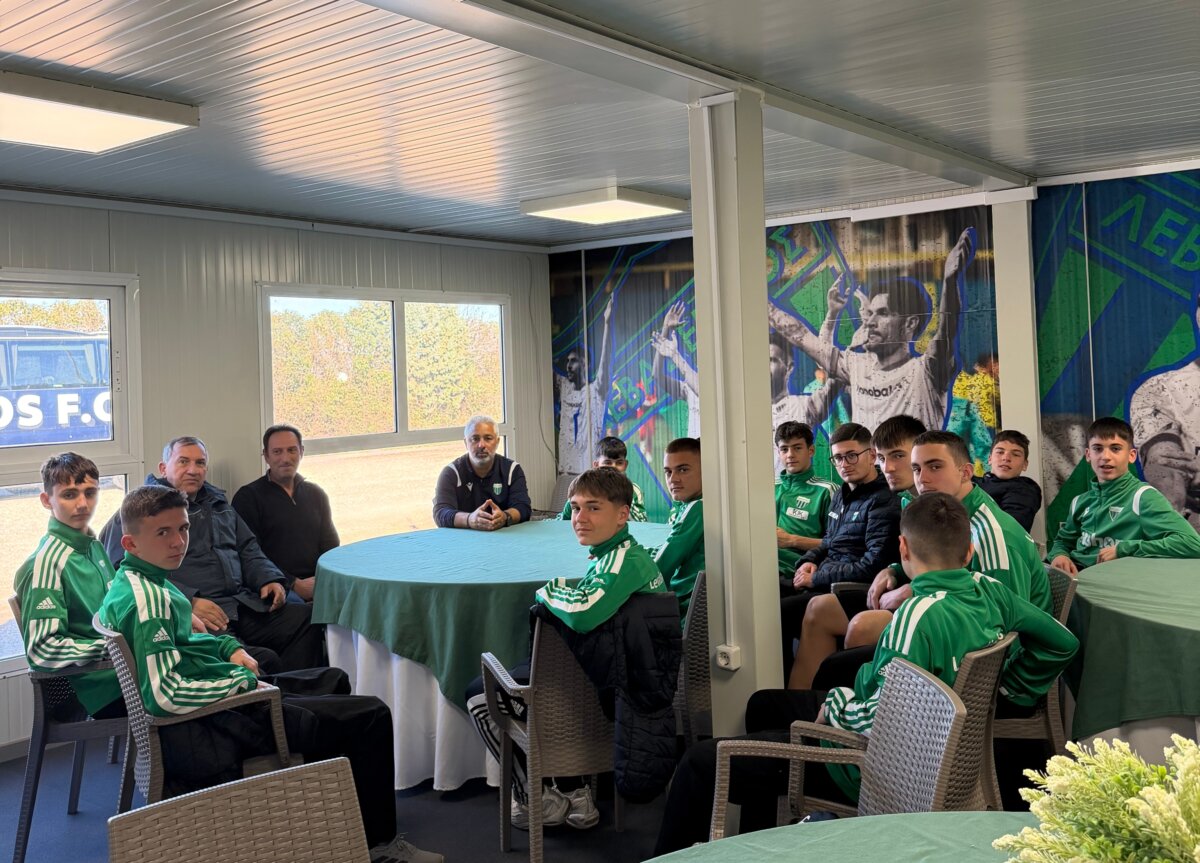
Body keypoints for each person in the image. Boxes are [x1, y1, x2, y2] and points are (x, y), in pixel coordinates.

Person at [653, 492, 1079, 855]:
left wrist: (838, 704)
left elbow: (877, 719)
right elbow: (1063, 642)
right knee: (764, 704)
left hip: (871, 767)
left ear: (903, 549)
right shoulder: (992, 590)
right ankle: (763, 843)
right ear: (968, 551)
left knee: (698, 763)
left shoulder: (916, 616)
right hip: (928, 745)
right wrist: (1013, 689)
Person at [98, 485, 441, 863]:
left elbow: (189, 644)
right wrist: (243, 682)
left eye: (183, 528)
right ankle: (379, 846)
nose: (178, 542)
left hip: (218, 705)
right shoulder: (149, 602)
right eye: (163, 532)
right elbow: (164, 695)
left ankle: (327, 820)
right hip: (211, 728)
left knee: (333, 679)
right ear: (130, 544)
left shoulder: (141, 581)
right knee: (371, 714)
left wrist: (229, 648)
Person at [467, 468, 666, 830]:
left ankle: (533, 798)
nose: (579, 518)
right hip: (618, 682)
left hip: (609, 694)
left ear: (623, 514)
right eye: (575, 508)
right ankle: (574, 790)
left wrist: (550, 590)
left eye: (593, 508)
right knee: (544, 668)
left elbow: (583, 614)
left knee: (480, 694)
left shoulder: (623, 560)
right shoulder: (616, 554)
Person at [98, 436, 324, 673]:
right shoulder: (139, 512)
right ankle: (278, 693)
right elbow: (126, 572)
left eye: (200, 463)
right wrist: (188, 602)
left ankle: (300, 689)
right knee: (260, 660)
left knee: (306, 618)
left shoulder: (219, 504)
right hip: (199, 613)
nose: (193, 470)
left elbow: (247, 547)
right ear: (163, 468)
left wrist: (268, 578)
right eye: (183, 462)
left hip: (241, 603)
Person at [769, 228, 974, 432]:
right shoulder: (856, 367)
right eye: (870, 313)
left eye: (883, 313)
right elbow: (800, 335)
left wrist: (950, 280)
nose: (870, 322)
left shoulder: (926, 371)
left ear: (910, 323)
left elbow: (947, 331)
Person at [785, 415, 924, 688]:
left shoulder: (888, 499)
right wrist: (808, 562)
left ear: (868, 455)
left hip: (852, 587)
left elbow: (873, 563)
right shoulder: (841, 494)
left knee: (780, 614)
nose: (844, 464)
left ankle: (802, 698)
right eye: (838, 458)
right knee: (767, 599)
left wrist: (816, 578)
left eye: (851, 456)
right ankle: (792, 697)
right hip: (830, 579)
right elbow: (828, 541)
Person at [14, 452, 123, 720]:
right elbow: (42, 648)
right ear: (46, 500)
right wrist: (117, 648)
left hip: (121, 671)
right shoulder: (46, 564)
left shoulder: (93, 545)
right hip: (99, 687)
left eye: (90, 493)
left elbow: (116, 607)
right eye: (69, 495)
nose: (83, 504)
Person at [1048, 417, 1200, 573]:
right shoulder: (1080, 501)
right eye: (1098, 449)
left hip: (1114, 582)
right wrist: (1059, 555)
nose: (1105, 457)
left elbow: (1192, 544)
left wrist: (1124, 549)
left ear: (1131, 455)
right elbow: (1062, 542)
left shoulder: (1143, 497)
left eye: (1115, 449)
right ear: (1088, 455)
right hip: (1077, 579)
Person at [232, 424, 339, 602]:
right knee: (301, 609)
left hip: (319, 580)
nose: (285, 458)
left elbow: (330, 546)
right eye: (277, 452)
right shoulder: (248, 498)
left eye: (291, 450)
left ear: (301, 452)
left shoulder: (316, 494)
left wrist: (324, 579)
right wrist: (293, 583)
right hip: (276, 584)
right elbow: (249, 555)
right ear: (266, 456)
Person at [432, 415, 532, 530]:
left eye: (488, 438)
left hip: (503, 536)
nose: (481, 445)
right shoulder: (451, 473)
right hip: (464, 538)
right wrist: (469, 519)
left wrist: (505, 517)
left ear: (497, 442)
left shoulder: (512, 470)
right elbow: (441, 513)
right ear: (466, 442)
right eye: (475, 439)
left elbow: (523, 507)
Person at [556, 295, 614, 475]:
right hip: (565, 473)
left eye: (573, 361)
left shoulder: (596, 390)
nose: (568, 365)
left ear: (586, 363)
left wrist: (607, 323)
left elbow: (605, 361)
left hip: (589, 473)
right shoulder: (564, 386)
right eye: (567, 361)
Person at [773, 421, 837, 583]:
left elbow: (838, 544)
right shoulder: (766, 489)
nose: (790, 455)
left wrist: (791, 540)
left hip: (795, 571)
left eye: (797, 448)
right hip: (758, 563)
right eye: (784, 449)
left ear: (811, 450)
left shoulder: (827, 491)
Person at [648, 437, 705, 615]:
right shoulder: (694, 504)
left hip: (682, 609)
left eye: (683, 470)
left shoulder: (698, 507)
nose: (673, 479)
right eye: (668, 472)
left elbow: (659, 568)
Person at [557, 435, 646, 521]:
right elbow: (562, 519)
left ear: (625, 465)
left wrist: (625, 497)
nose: (614, 467)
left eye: (619, 463)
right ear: (596, 465)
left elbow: (642, 522)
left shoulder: (634, 490)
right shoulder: (583, 488)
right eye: (607, 462)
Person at [651, 300, 701, 438]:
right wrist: (665, 330)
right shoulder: (689, 387)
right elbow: (657, 376)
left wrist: (675, 355)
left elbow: (701, 389)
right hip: (694, 449)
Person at [977, 429, 1042, 531]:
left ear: (1025, 465)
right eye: (1000, 452)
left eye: (1015, 454)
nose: (1006, 458)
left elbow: (1008, 529)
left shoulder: (1024, 490)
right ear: (989, 459)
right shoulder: (972, 482)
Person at [953, 351, 1001, 429]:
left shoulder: (959, 380)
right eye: (994, 364)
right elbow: (1003, 397)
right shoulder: (987, 381)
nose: (996, 368)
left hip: (966, 425)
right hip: (987, 425)